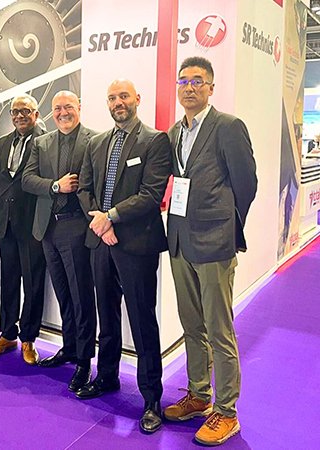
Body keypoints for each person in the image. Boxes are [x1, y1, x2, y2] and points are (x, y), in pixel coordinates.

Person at [163, 57, 257, 446]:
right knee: (191, 325)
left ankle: (227, 411)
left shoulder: (228, 126)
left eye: (197, 81)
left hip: (214, 242)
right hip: (179, 240)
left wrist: (225, 226)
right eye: (183, 81)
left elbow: (246, 184)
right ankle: (199, 394)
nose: (189, 87)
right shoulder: (174, 132)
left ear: (211, 88)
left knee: (219, 330)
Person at [76, 79, 171, 433]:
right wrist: (102, 224)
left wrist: (111, 217)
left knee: (142, 320)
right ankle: (107, 376)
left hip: (137, 245)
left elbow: (151, 194)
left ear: (137, 99)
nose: (118, 102)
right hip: (101, 242)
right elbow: (85, 189)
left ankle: (151, 398)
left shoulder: (155, 140)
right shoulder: (97, 142)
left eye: (124, 96)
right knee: (107, 314)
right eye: (112, 97)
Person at [22, 90, 96, 393]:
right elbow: (27, 180)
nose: (63, 113)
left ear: (79, 107)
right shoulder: (41, 143)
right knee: (64, 295)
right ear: (51, 113)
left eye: (68, 107)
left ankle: (84, 361)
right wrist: (55, 185)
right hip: (47, 230)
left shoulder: (94, 140)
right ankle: (69, 347)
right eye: (57, 108)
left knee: (81, 297)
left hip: (77, 227)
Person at [0, 94, 46, 365]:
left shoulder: (45, 143)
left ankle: (28, 339)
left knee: (33, 284)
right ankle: (7, 334)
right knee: (8, 281)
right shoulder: (1, 144)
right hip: (5, 224)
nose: (20, 116)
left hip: (33, 226)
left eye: (25, 111)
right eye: (15, 111)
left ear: (36, 114)